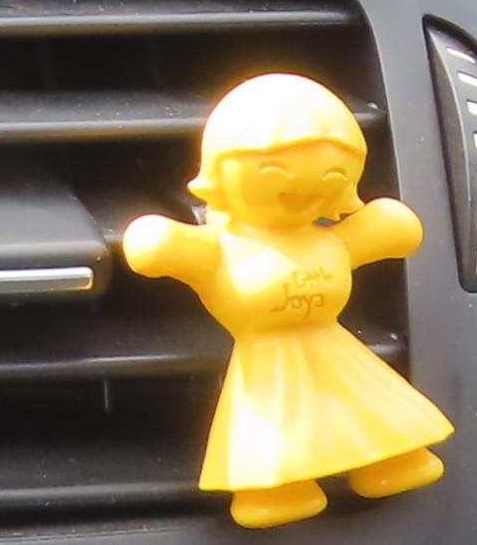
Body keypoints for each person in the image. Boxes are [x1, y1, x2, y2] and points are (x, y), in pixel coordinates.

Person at [120, 75, 455, 531]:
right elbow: (159, 247)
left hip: (333, 348)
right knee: (272, 423)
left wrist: (387, 227)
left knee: (366, 406)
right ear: (222, 169)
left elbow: (387, 232)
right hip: (266, 361)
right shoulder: (221, 249)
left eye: (332, 176)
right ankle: (277, 489)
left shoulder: (327, 241)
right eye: (275, 172)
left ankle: (389, 462)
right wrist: (158, 240)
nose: (306, 189)